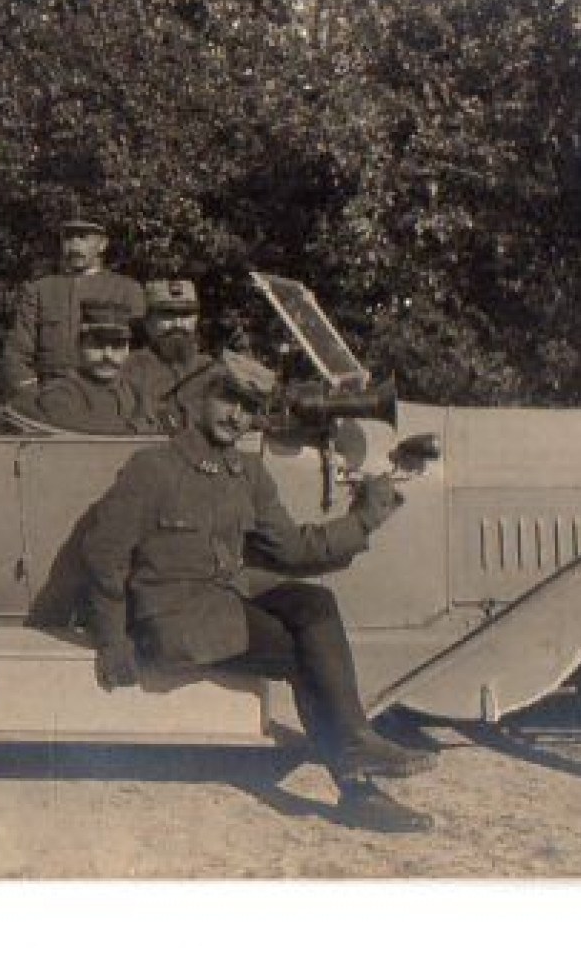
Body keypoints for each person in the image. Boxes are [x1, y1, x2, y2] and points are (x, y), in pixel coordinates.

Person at [78, 351, 437, 833]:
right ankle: (357, 785)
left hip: (223, 602)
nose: (236, 417)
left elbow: (293, 549)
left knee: (315, 603)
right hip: (173, 621)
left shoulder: (247, 472)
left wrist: (368, 515)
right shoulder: (152, 468)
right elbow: (104, 554)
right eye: (228, 400)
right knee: (305, 653)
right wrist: (111, 639)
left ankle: (355, 750)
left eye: (249, 408)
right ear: (202, 398)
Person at [0, 218, 145, 402]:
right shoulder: (40, 290)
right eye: (68, 239)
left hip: (109, 396)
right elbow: (17, 350)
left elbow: (140, 353)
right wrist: (30, 392)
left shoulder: (127, 290)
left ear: (102, 244)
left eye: (83, 238)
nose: (74, 246)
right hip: (51, 394)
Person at [16, 300, 157, 434]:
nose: (108, 355)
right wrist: (137, 427)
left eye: (117, 346)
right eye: (97, 345)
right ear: (80, 346)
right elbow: (88, 437)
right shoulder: (60, 393)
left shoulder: (134, 391)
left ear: (127, 350)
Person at [119, 276, 213, 431]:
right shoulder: (129, 370)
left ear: (197, 319)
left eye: (186, 315)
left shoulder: (212, 370)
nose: (178, 324)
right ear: (148, 322)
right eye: (167, 315)